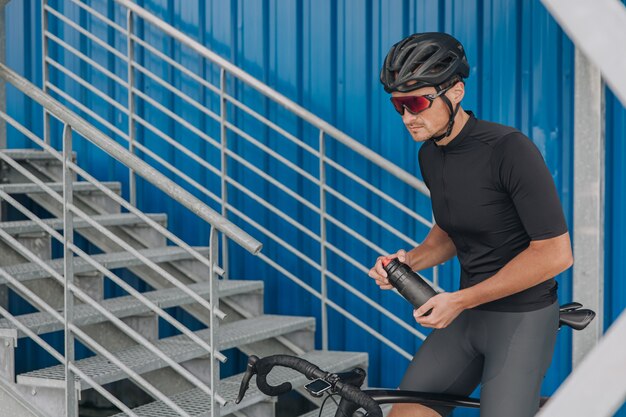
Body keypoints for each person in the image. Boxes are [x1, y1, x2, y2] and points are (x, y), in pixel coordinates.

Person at [369, 32, 573, 417]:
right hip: (469, 314)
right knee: (405, 413)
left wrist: (459, 300)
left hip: (522, 317)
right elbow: (449, 231)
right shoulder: (430, 155)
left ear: (456, 92)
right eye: (398, 105)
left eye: (416, 102)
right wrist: (410, 260)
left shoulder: (509, 149)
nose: (408, 117)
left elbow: (555, 254)